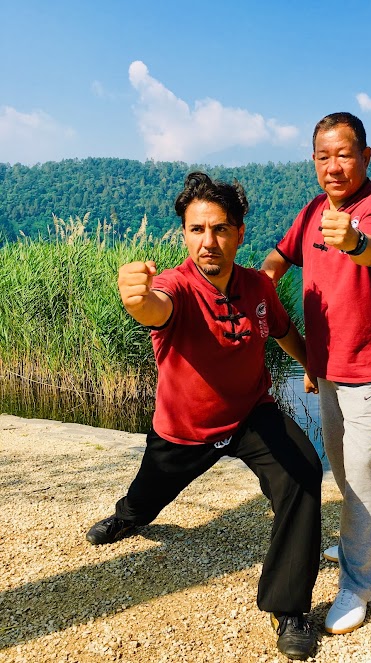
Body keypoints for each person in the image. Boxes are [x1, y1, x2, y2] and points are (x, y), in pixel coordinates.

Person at [86, 172, 322, 661]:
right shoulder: (176, 286)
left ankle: (289, 607)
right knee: (145, 498)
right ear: (184, 235)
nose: (208, 241)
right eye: (197, 229)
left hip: (251, 414)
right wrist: (137, 299)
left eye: (219, 229)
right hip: (184, 430)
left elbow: (281, 330)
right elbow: (156, 308)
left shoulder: (258, 285)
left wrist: (312, 367)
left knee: (302, 472)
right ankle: (127, 518)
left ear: (238, 233)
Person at [261, 112, 371, 635]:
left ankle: (357, 583)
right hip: (327, 371)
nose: (333, 166)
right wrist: (254, 291)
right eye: (323, 156)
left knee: (359, 477)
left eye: (343, 154)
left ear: (366, 157)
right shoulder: (310, 212)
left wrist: (350, 240)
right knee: (349, 473)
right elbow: (276, 261)